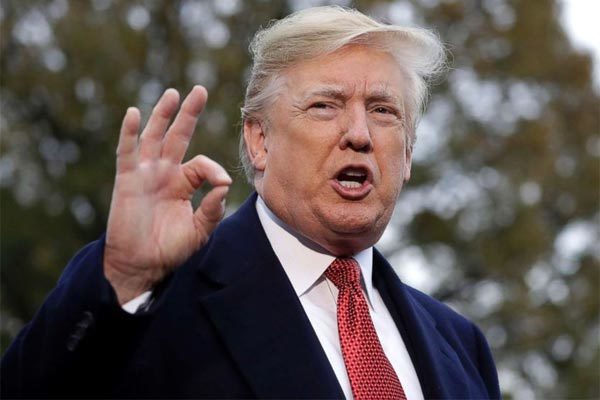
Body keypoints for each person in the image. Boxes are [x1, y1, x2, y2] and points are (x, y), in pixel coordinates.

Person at [1, 6, 500, 399]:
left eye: (383, 111)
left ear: (408, 154)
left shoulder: (461, 346)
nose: (359, 133)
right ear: (260, 141)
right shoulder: (155, 298)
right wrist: (122, 280)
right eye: (325, 105)